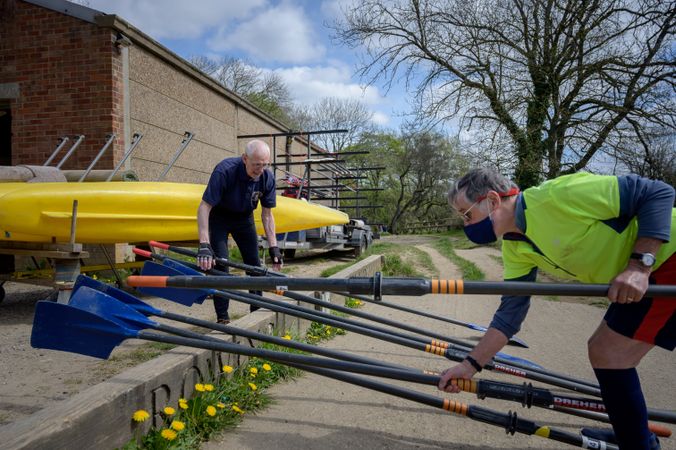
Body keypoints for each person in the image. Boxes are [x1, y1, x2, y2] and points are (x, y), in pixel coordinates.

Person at [438, 168, 675, 450]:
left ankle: (637, 443)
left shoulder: (556, 196)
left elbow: (658, 192)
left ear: (491, 200)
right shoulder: (515, 247)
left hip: (666, 257)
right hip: (651, 270)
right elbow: (508, 317)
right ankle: (634, 437)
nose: (466, 224)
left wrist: (639, 265)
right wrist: (469, 366)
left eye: (467, 214)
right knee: (605, 351)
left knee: (610, 352)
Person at [196, 139, 283, 324]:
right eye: (256, 165)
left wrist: (274, 247)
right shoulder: (225, 171)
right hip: (219, 218)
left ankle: (256, 313)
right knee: (221, 267)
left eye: (264, 165)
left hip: (244, 219)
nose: (260, 170)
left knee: (255, 266)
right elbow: (204, 207)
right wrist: (204, 244)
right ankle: (223, 318)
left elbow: (267, 215)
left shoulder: (267, 178)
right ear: (245, 158)